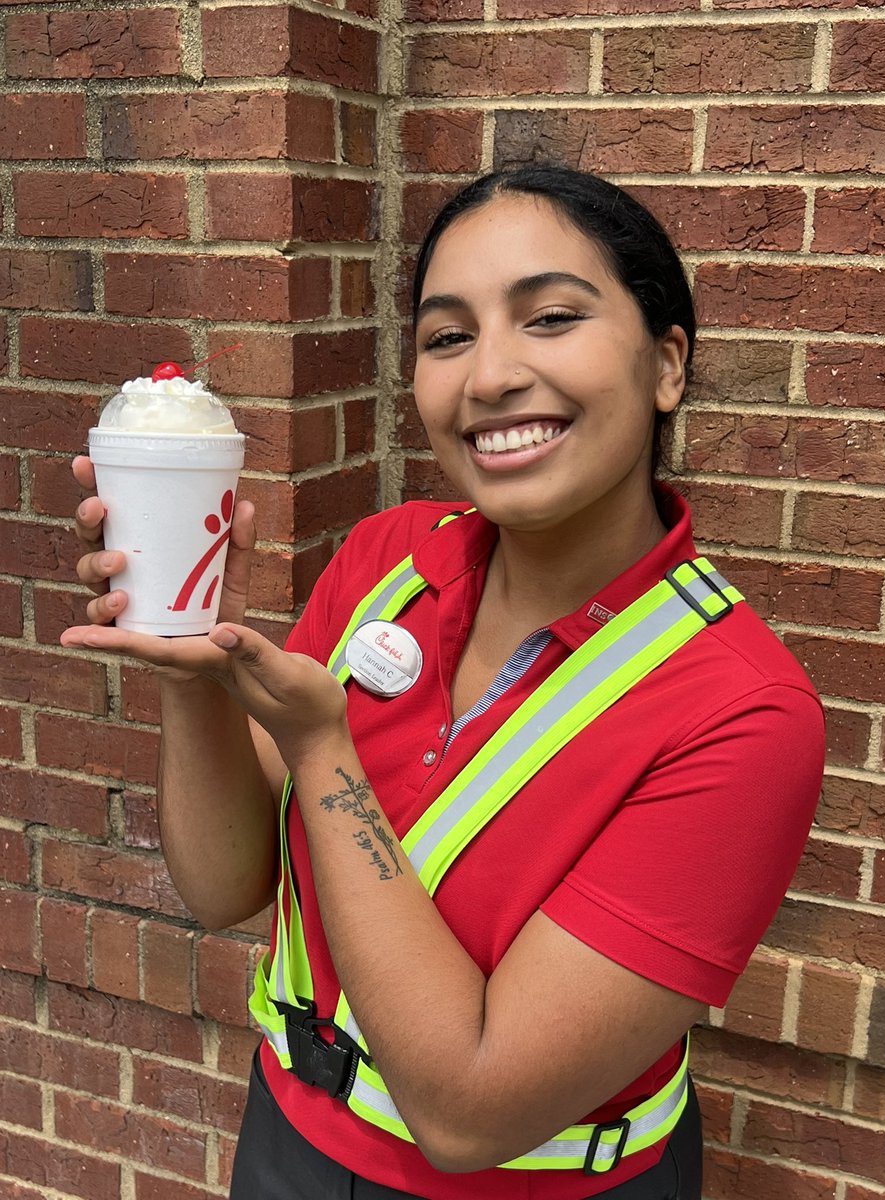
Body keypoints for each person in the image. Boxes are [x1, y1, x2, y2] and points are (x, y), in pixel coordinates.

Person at [63, 166, 825, 1200]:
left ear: (667, 363)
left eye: (551, 317)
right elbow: (223, 888)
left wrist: (323, 752)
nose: (491, 376)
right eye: (447, 336)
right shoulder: (389, 558)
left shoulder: (739, 714)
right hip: (287, 1134)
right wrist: (195, 669)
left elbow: (471, 1111)